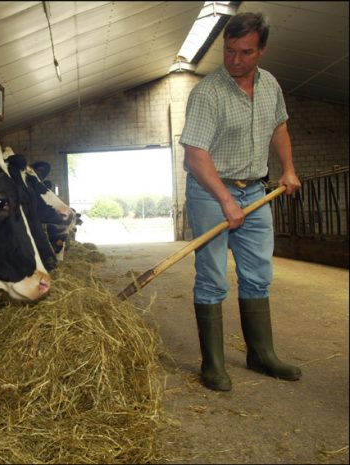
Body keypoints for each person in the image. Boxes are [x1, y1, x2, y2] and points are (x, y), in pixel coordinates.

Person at [179, 12, 302, 391]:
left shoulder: (271, 87)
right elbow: (194, 155)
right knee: (213, 278)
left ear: (261, 50)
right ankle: (212, 363)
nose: (234, 60)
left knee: (259, 275)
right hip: (211, 190)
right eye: (229, 51)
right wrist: (226, 201)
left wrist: (288, 169)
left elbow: (278, 126)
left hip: (256, 190)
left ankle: (260, 354)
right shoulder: (208, 92)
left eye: (244, 53)